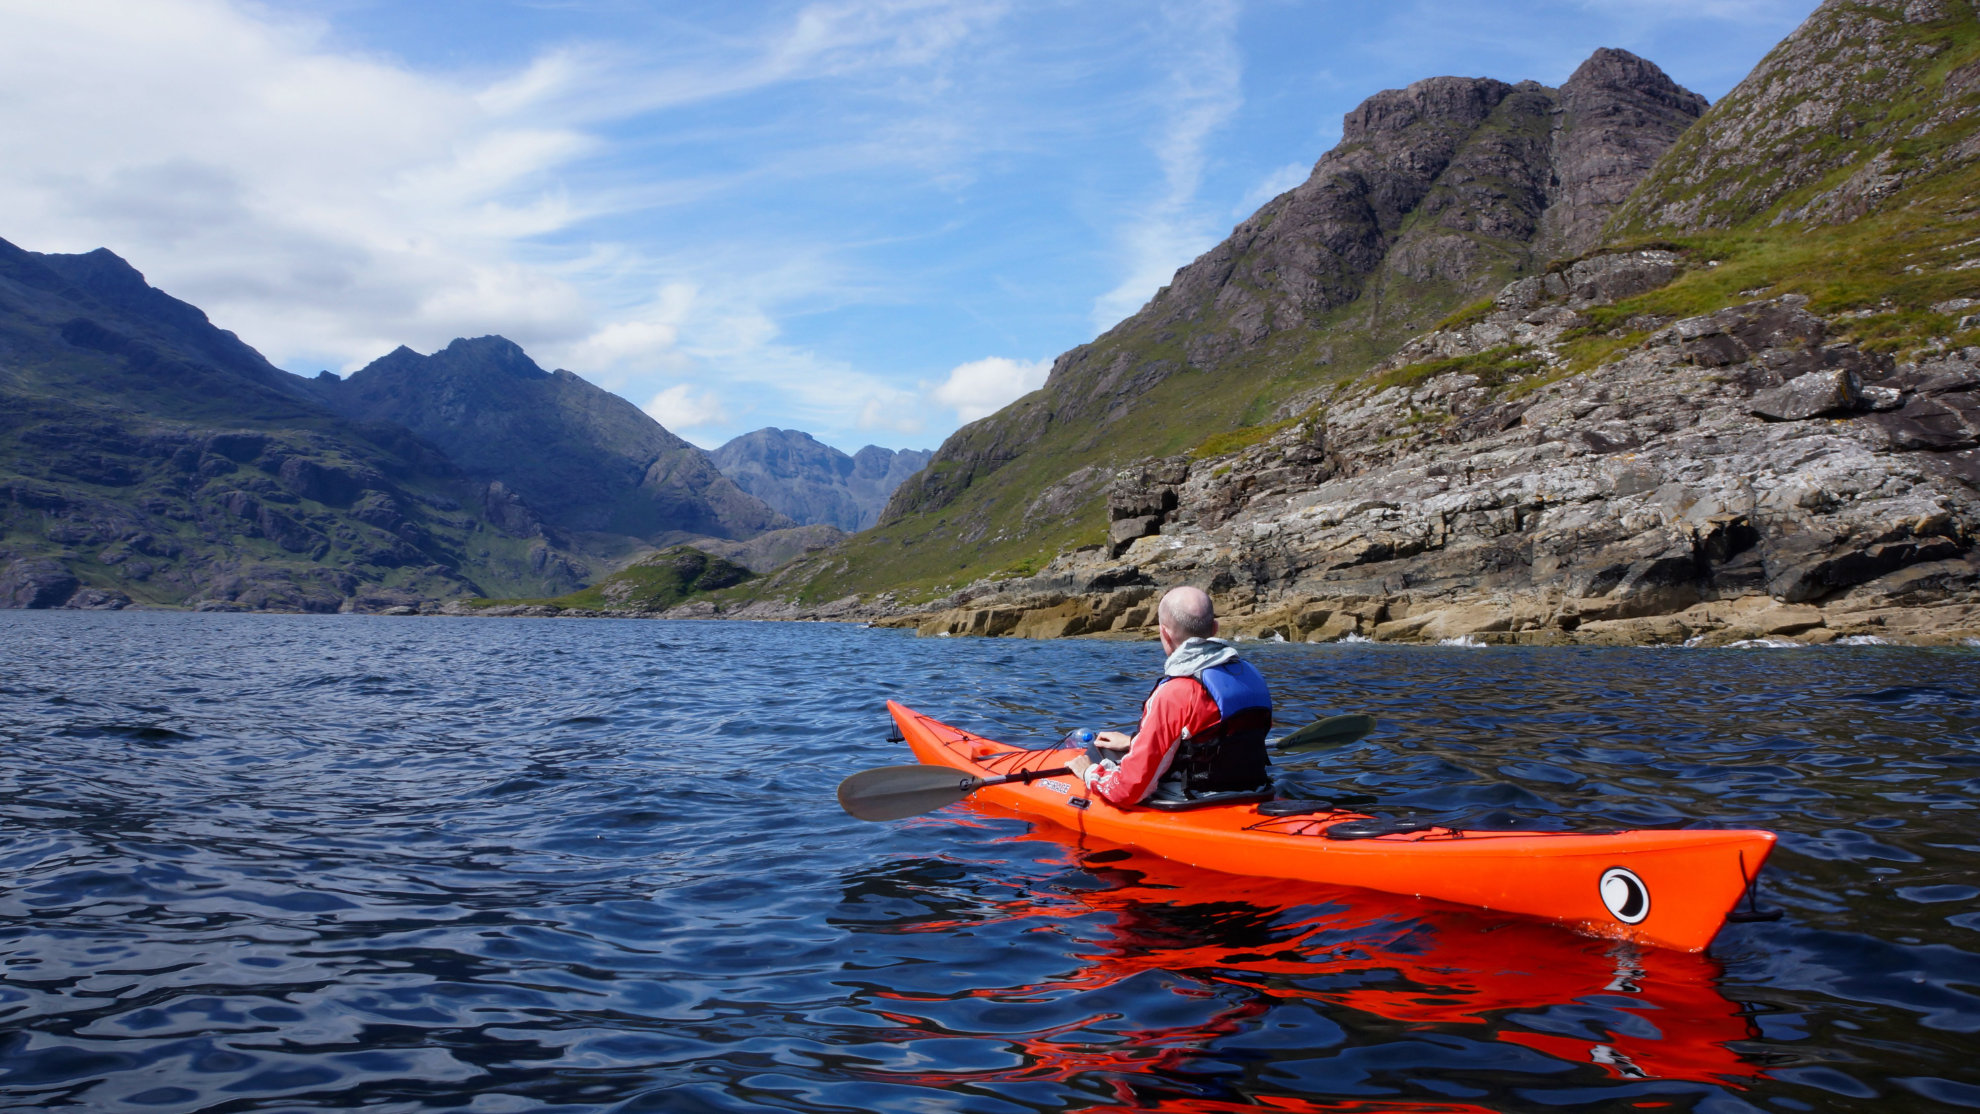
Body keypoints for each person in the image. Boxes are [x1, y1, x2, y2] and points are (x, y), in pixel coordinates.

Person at [1067, 586, 1273, 807]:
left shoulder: (1174, 693)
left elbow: (1127, 790)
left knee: (1101, 755)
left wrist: (1089, 772)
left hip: (1192, 801)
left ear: (1164, 633)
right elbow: (1219, 739)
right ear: (1214, 628)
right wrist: (1134, 742)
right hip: (1255, 791)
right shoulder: (1251, 676)